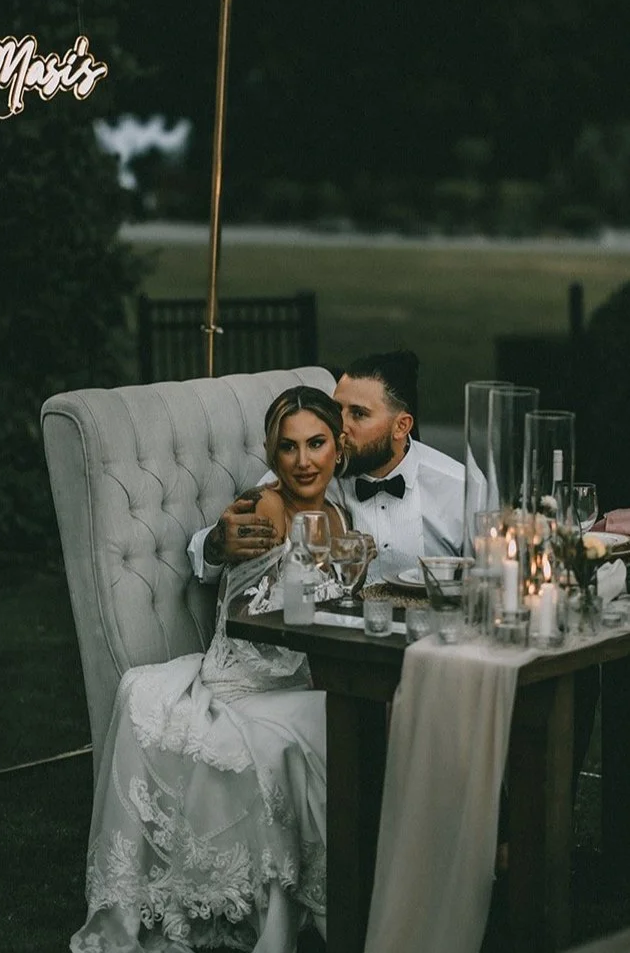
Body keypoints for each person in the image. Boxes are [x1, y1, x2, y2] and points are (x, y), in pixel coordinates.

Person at [70, 386, 350, 953]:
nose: (303, 461)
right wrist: (221, 544)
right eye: (289, 447)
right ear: (273, 455)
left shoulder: (336, 515)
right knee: (320, 736)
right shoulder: (264, 510)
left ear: (338, 449)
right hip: (242, 684)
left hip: (296, 679)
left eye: (316, 444)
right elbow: (246, 594)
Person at [190, 350, 465, 584]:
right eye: (337, 409)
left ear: (401, 426)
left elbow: (496, 577)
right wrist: (216, 545)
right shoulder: (309, 471)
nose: (340, 426)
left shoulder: (459, 487)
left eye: (358, 414)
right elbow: (218, 543)